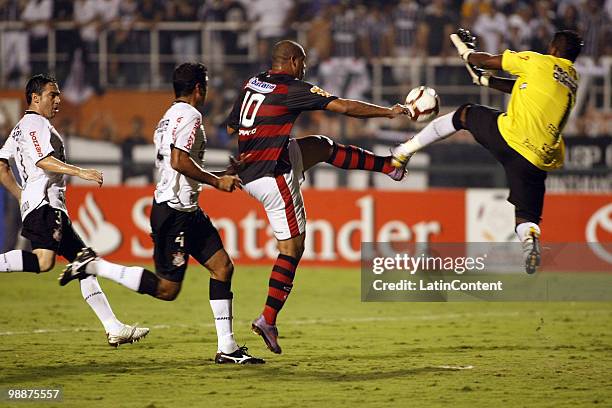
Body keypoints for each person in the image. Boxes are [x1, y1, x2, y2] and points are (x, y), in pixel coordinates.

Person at [60, 63, 264, 365]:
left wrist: (224, 173)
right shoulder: (190, 116)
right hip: (173, 212)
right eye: (205, 85)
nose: (207, 91)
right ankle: (94, 266)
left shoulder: (168, 117)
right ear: (198, 88)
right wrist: (216, 181)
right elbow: (179, 161)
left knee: (222, 267)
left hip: (187, 209)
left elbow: (180, 165)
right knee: (168, 290)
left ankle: (227, 347)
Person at [225, 40, 411, 354]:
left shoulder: (252, 82)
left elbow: (232, 129)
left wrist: (260, 143)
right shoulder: (291, 88)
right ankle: (267, 319)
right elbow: (346, 107)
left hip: (256, 166)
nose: (306, 68)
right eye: (305, 62)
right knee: (293, 248)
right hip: (272, 175)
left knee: (320, 147)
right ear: (294, 61)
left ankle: (388, 166)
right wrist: (389, 113)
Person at [392, 29, 583, 275]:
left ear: (554, 48)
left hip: (512, 137)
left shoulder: (538, 61)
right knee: (527, 217)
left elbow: (485, 61)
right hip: (539, 159)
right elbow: (523, 87)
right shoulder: (572, 78)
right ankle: (531, 241)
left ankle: (403, 151)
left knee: (465, 114)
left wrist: (467, 53)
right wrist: (486, 81)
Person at [0, 73, 149, 347]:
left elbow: (2, 166)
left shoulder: (20, 128)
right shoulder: (36, 124)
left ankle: (113, 326)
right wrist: (81, 172)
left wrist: (21, 196)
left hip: (41, 206)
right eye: (52, 95)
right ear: (35, 98)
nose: (58, 100)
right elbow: (44, 161)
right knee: (45, 262)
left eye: (58, 94)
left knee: (84, 263)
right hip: (46, 207)